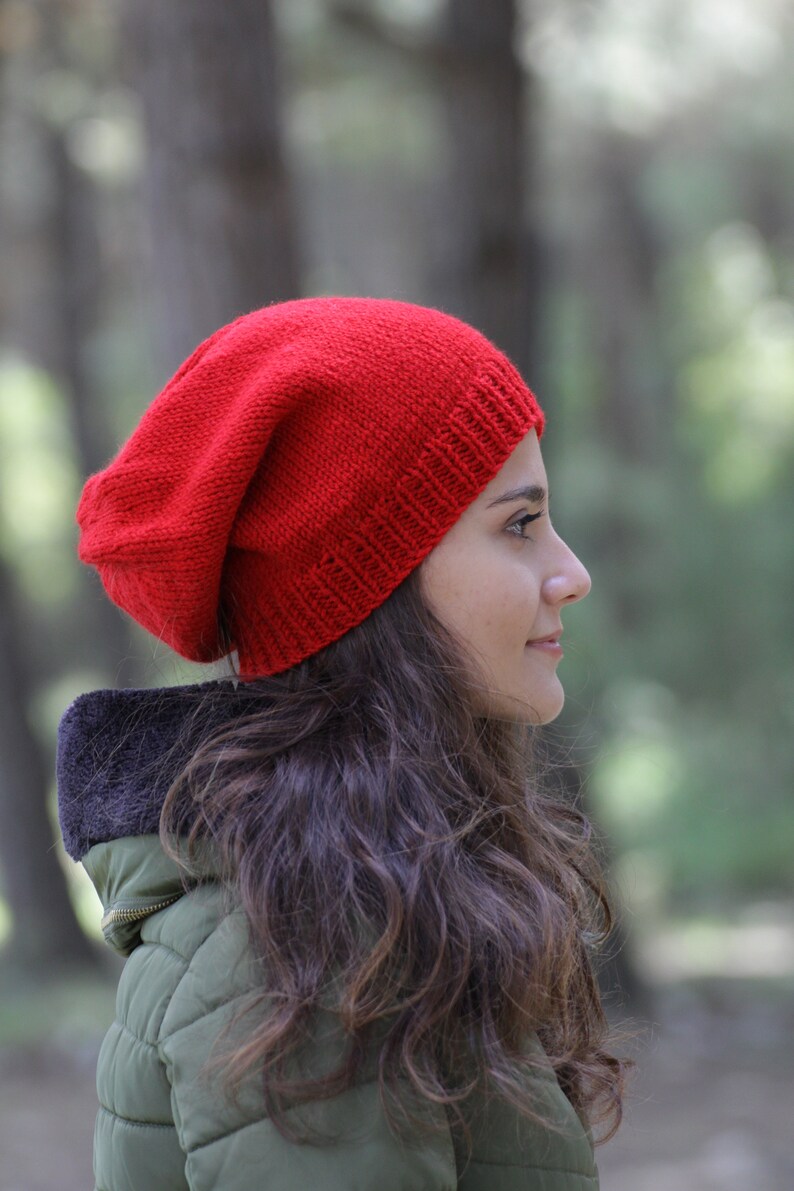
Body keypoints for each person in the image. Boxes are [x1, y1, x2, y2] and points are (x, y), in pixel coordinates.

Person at [56, 296, 625, 1191]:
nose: (572, 572)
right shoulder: (311, 951)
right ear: (376, 584)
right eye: (519, 524)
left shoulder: (364, 897)